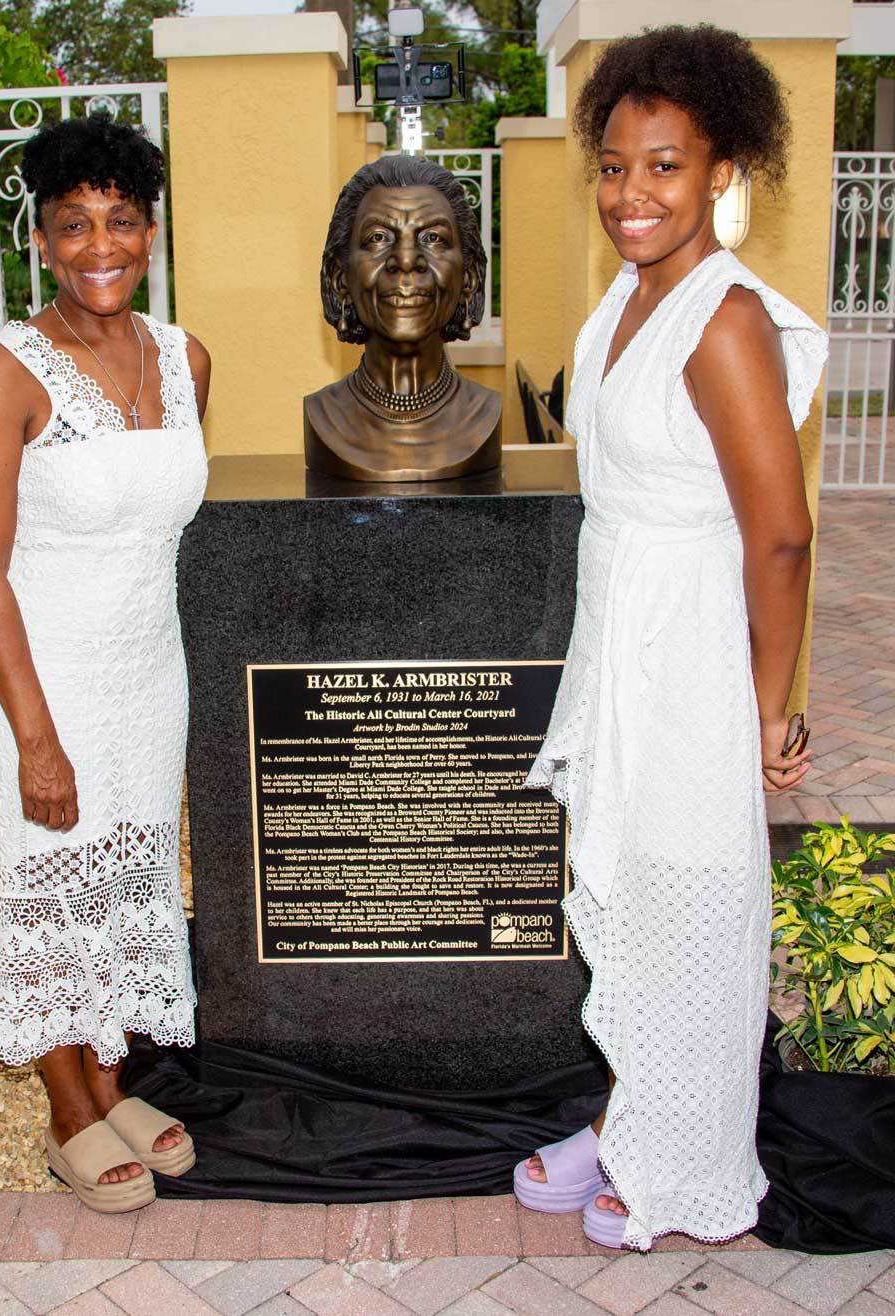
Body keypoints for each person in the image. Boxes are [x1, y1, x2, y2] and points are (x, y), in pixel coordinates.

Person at [514, 25, 827, 1250]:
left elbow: (781, 536)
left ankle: (686, 1171)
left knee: (694, 902)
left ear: (723, 171)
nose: (631, 195)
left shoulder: (723, 321)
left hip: (697, 652)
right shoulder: (626, 301)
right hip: (623, 640)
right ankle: (634, 1114)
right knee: (635, 898)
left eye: (663, 167)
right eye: (611, 167)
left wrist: (764, 705)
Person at [0, 113, 210, 1213]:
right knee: (49, 875)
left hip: (147, 666)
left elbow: (166, 521)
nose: (98, 243)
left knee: (126, 868)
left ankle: (110, 1080)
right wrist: (35, 733)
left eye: (120, 220)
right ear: (44, 243)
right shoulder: (6, 370)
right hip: (37, 672)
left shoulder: (186, 355)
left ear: (149, 232)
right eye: (73, 225)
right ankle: (66, 1110)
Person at [305, 154, 501, 481]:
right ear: (341, 279)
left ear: (468, 278)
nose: (406, 261)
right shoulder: (320, 415)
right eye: (379, 238)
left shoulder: (487, 413)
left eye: (433, 238)